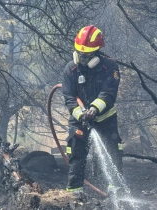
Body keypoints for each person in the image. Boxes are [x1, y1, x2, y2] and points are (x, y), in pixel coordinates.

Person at [62, 25, 123, 196]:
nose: (81, 59)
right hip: (79, 118)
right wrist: (80, 114)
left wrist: (95, 109)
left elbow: (109, 93)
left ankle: (116, 193)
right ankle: (75, 193)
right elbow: (69, 97)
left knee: (113, 150)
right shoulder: (70, 69)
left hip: (105, 118)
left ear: (97, 53)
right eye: (79, 54)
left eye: (86, 56)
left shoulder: (110, 67)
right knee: (75, 151)